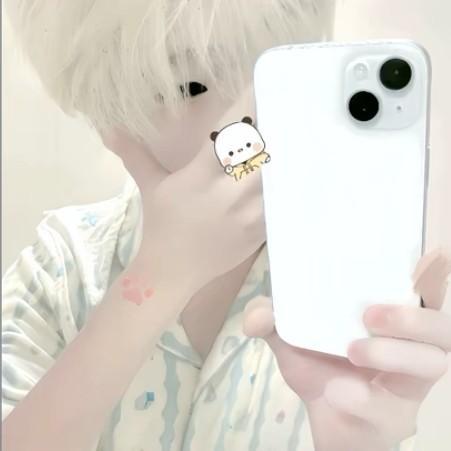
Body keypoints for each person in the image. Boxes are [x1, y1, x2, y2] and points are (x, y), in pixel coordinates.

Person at [2, 1, 451, 450]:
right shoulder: (62, 268)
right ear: (110, 113)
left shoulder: (348, 283)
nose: (250, 119)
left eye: (274, 75)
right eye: (189, 86)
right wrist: (159, 277)